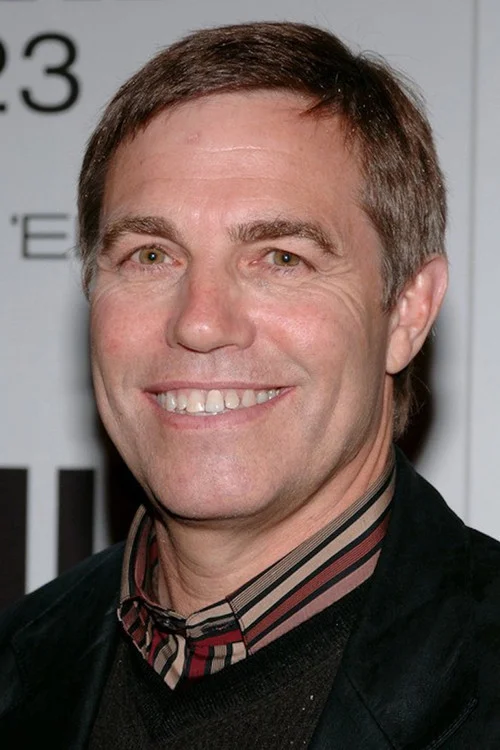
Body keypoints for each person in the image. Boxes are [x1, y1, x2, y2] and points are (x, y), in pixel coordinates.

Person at [1, 21, 499, 749]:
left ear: (407, 311)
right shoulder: (17, 666)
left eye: (281, 258)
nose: (200, 322)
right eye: (150, 255)